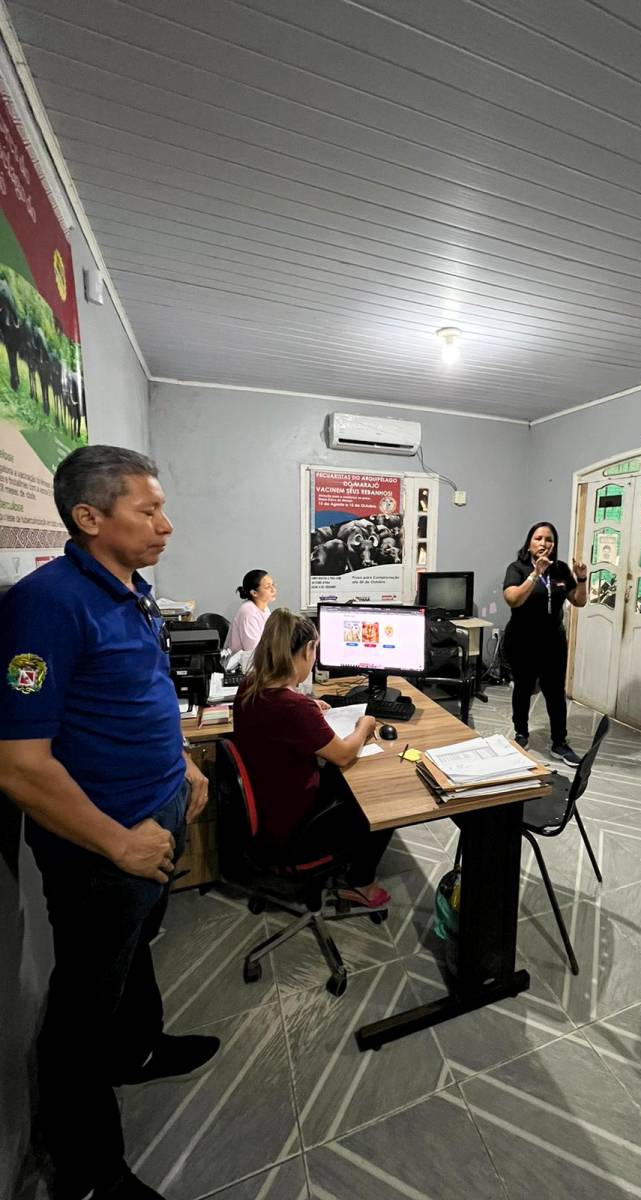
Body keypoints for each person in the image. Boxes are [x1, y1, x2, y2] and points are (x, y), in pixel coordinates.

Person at [0, 446, 218, 1200]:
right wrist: (120, 842)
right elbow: (20, 765)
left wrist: (183, 761)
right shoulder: (46, 605)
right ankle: (88, 1171)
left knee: (136, 950)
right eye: (148, 510)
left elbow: (142, 689)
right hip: (105, 841)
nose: (166, 524)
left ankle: (140, 1052)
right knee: (82, 1009)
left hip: (158, 813)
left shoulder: (133, 589)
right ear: (90, 517)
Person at [233, 609, 392, 907]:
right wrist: (365, 725)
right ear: (308, 650)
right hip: (295, 829)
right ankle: (362, 882)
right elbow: (343, 754)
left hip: (270, 811)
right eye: (315, 650)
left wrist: (308, 705)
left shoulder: (249, 687)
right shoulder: (294, 709)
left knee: (343, 781)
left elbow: (279, 719)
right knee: (381, 801)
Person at [502, 521, 588, 767]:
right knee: (523, 688)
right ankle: (521, 733)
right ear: (529, 543)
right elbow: (513, 599)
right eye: (538, 538)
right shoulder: (517, 568)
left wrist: (582, 579)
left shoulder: (561, 570)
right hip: (523, 641)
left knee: (555, 693)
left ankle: (559, 743)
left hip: (553, 643)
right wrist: (535, 574)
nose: (544, 543)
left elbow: (578, 601)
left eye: (549, 539)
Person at [225, 569, 277, 653]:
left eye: (273, 585)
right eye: (268, 587)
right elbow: (252, 650)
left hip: (259, 656)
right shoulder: (248, 612)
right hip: (244, 659)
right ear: (254, 593)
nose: (273, 590)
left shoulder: (265, 609)